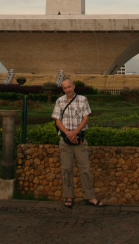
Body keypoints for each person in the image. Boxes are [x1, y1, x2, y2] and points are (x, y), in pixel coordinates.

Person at [52, 78, 104, 208]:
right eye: (65, 88)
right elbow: (58, 120)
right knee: (66, 169)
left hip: (80, 140)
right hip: (65, 140)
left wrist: (75, 132)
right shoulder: (60, 101)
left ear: (74, 87)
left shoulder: (83, 100)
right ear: (63, 89)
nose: (68, 90)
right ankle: (69, 196)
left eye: (69, 87)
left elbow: (86, 118)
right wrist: (68, 133)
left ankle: (90, 196)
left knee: (85, 168)